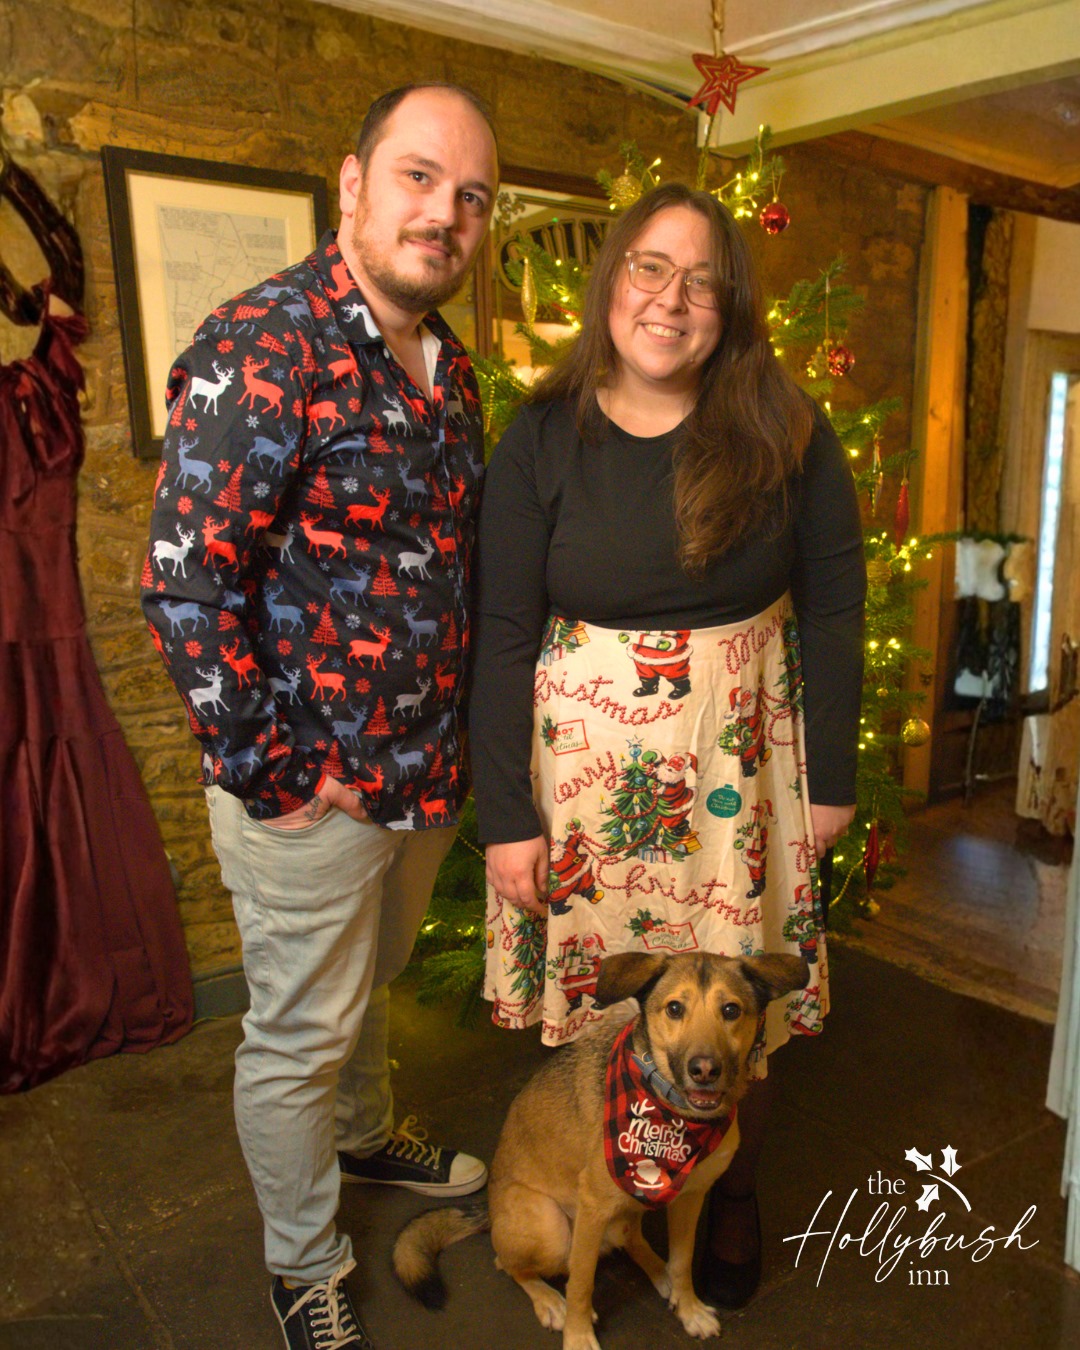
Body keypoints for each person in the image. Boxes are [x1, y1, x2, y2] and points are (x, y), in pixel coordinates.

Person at [141, 84, 499, 1350]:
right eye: (418, 178)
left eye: (470, 196)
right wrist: (276, 771)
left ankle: (364, 1138)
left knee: (371, 985)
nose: (443, 214)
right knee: (296, 1031)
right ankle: (301, 1261)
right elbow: (184, 581)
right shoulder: (266, 342)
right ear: (352, 184)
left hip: (423, 780)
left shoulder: (451, 367)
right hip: (316, 795)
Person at [469, 181, 866, 1309]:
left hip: (740, 769)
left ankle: (723, 1187)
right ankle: (615, 1183)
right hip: (585, 785)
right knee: (620, 1008)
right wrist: (506, 815)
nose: (671, 298)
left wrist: (827, 782)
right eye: (650, 267)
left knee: (735, 994)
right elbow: (499, 630)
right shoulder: (543, 436)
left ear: (728, 304)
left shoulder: (784, 426)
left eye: (700, 278)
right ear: (612, 283)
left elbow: (836, 602)